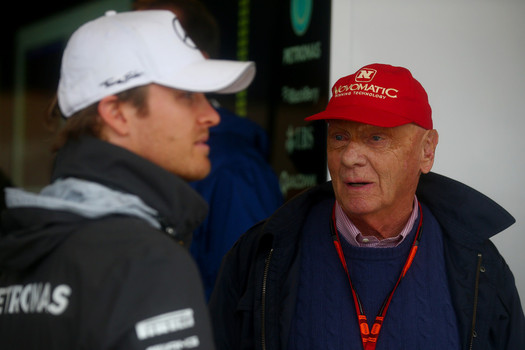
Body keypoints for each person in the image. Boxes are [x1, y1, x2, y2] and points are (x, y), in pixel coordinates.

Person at [208, 63, 525, 350]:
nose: (349, 157)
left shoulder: (480, 263)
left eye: (376, 138)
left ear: (427, 151)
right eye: (340, 137)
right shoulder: (262, 254)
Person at [0, 10, 255, 349]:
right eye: (186, 96)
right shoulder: (147, 261)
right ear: (117, 113)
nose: (210, 115)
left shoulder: (19, 249)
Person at [133, 0, 284, 299]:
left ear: (196, 60)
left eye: (143, 46)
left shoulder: (236, 173)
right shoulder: (137, 164)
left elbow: (250, 314)